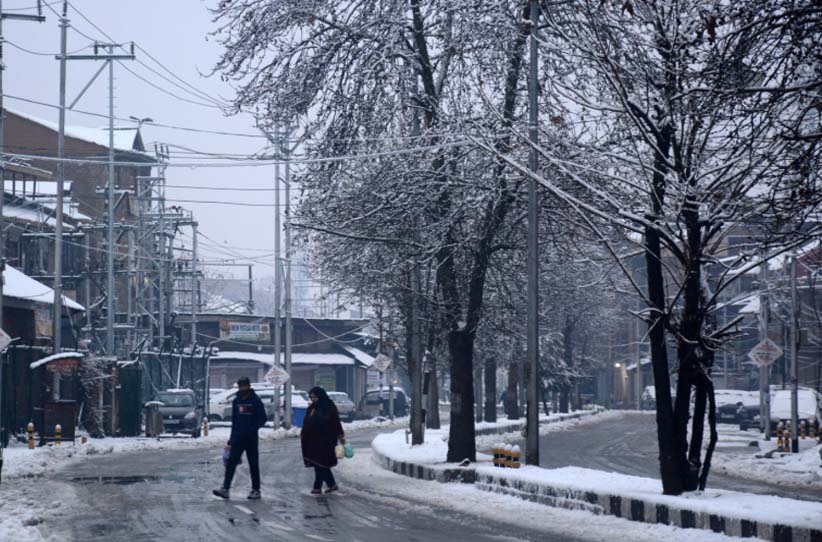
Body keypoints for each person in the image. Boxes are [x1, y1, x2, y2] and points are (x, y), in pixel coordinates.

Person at [213, 377, 267, 500]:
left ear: (248, 386)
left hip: (251, 439)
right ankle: (225, 488)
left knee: (253, 464)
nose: (242, 388)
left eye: (244, 386)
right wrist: (231, 440)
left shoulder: (255, 401)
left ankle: (256, 490)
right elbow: (235, 421)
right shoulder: (236, 401)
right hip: (238, 438)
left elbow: (262, 418)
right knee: (231, 463)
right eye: (240, 386)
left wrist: (252, 428)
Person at [301, 386, 345, 494]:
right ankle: (330, 485)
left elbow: (335, 422)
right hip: (313, 440)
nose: (313, 399)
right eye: (311, 397)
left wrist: (340, 435)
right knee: (318, 463)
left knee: (321, 463)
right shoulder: (312, 408)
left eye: (315, 397)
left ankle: (318, 486)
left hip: (326, 440)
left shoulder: (329, 407)